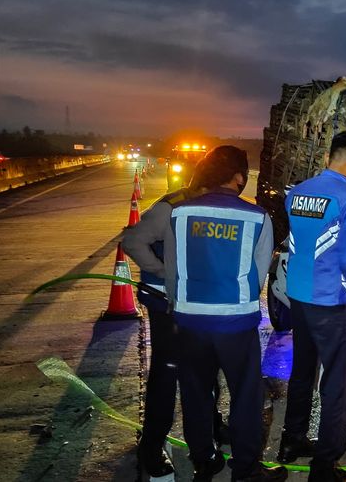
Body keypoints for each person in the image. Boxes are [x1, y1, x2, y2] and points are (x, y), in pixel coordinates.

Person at [126, 146, 287, 482]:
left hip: (189, 321)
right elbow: (258, 276)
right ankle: (246, 470)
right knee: (245, 395)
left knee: (196, 393)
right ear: (239, 177)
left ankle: (204, 463)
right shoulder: (257, 217)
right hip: (235, 322)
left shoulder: (179, 212)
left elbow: (173, 267)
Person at [278, 130, 346, 482]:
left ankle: (291, 442)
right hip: (327, 301)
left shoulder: (298, 192)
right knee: (335, 383)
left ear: (327, 157)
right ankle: (324, 467)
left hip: (298, 296)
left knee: (302, 371)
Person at [123, 167, 229, 479]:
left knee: (206, 369)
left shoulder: (202, 206)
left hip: (193, 303)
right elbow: (132, 241)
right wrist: (162, 273)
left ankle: (212, 426)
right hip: (165, 304)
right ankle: (151, 447)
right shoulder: (170, 208)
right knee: (166, 374)